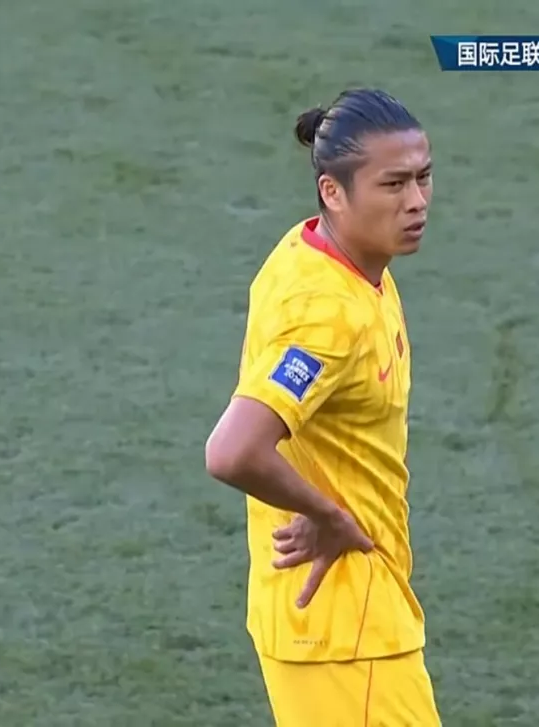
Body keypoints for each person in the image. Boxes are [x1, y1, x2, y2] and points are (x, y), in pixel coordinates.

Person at [204, 87, 439, 726]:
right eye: (393, 185)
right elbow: (232, 451)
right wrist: (327, 514)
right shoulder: (327, 314)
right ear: (333, 192)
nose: (417, 202)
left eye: (423, 178)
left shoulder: (317, 254)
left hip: (327, 619)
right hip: (348, 626)